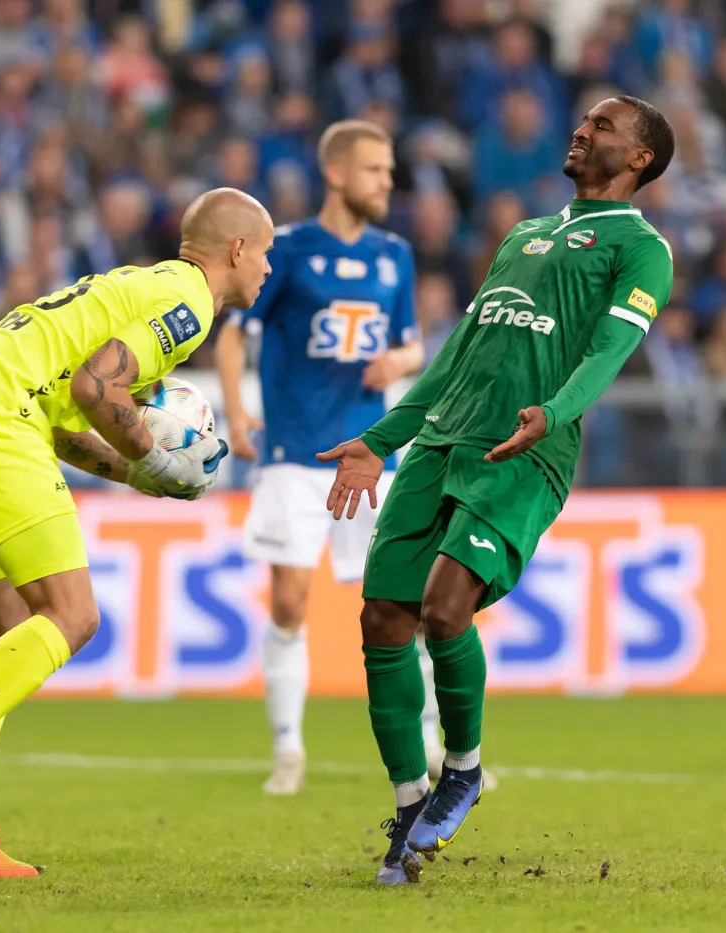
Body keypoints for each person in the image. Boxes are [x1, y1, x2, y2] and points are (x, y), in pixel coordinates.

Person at [318, 96, 676, 884]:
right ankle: (412, 802)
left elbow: (611, 351)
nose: (582, 129)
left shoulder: (642, 249)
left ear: (641, 158)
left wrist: (552, 414)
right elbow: (458, 351)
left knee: (446, 607)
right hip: (443, 440)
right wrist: (381, 441)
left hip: (524, 449)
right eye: (581, 120)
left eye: (604, 127)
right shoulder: (523, 234)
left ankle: (465, 768)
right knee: (382, 613)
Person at [0, 188, 270, 877]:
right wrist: (153, 454)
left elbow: (64, 418)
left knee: (8, 626)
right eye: (266, 253)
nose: (268, 268)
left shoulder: (134, 285)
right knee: (72, 614)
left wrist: (134, 471)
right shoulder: (190, 304)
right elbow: (97, 388)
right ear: (236, 249)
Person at [217, 120, 426, 795]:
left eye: (389, 171)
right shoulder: (292, 250)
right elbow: (234, 333)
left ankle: (430, 745)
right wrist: (237, 406)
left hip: (368, 456)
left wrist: (398, 359)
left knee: (400, 606)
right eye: (374, 170)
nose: (386, 183)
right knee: (289, 599)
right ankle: (288, 748)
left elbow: (414, 345)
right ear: (336, 173)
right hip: (290, 453)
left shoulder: (395, 255)